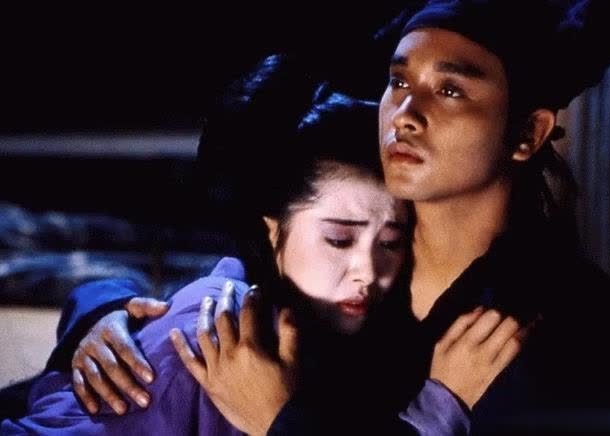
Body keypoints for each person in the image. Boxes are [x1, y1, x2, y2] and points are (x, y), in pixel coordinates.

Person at [2, 54, 526, 435]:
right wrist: (103, 312)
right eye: (338, 239)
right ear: (273, 228)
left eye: (392, 241)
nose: (368, 270)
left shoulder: (359, 315)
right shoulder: (218, 341)